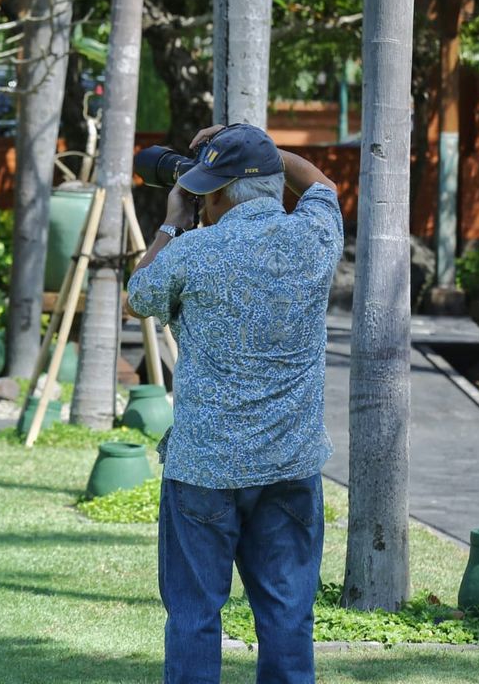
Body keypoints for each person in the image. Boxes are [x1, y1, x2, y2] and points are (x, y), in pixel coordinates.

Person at [126, 122, 344, 684]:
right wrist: (264, 150)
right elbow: (322, 185)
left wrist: (173, 224)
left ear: (217, 195)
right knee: (288, 614)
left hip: (205, 468)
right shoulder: (314, 237)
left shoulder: (193, 251)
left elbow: (139, 295)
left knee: (196, 615)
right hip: (288, 466)